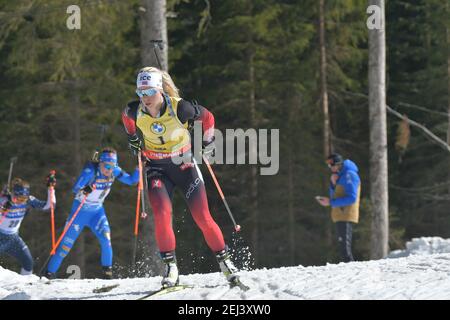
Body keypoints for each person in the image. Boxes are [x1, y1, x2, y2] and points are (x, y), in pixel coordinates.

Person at [122, 66, 239, 288]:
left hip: (184, 165)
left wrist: (208, 142)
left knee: (202, 217)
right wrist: (133, 139)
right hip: (156, 168)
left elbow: (208, 118)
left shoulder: (180, 108)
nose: (144, 98)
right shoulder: (133, 110)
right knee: (162, 214)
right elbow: (126, 120)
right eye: (140, 93)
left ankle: (226, 263)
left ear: (159, 90)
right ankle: (171, 268)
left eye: (149, 92)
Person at [45, 148, 139, 279]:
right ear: (100, 163)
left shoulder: (114, 171)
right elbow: (75, 188)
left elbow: (132, 181)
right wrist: (85, 189)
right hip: (80, 212)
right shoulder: (91, 172)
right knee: (65, 246)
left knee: (106, 240)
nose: (109, 170)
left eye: (113, 166)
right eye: (107, 166)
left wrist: (139, 167)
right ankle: (48, 274)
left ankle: (108, 274)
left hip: (97, 213)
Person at [0, 176, 56, 275]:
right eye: (18, 198)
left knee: (28, 263)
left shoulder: (29, 201)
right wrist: (2, 209)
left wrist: (50, 189)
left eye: (23, 199)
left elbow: (49, 207)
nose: (20, 202)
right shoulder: (4, 200)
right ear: (12, 194)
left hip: (13, 239)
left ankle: (23, 287)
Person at [316, 153, 361, 263]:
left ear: (338, 164)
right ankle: (350, 271)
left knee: (345, 249)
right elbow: (336, 194)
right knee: (343, 248)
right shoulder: (340, 175)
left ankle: (352, 271)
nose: (330, 168)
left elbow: (352, 198)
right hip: (340, 214)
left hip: (346, 214)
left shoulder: (349, 175)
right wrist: (332, 184)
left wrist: (330, 202)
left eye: (331, 165)